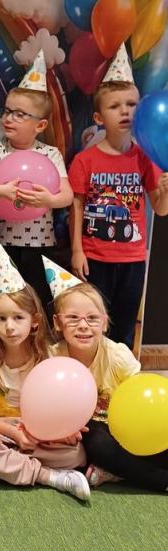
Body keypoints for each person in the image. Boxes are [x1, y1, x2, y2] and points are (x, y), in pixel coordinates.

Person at [0, 245, 89, 501]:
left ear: (35, 321)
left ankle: (3, 465)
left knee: (77, 454)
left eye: (18, 318)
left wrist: (64, 429)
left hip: (39, 430)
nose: (9, 327)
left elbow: (59, 403)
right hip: (1, 429)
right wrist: (13, 434)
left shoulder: (48, 355)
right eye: (1, 319)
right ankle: (46, 476)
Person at [68, 44, 168, 349]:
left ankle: (121, 375)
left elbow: (161, 210)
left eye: (132, 104)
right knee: (93, 323)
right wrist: (77, 250)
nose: (125, 111)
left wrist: (165, 191)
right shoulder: (85, 160)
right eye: (115, 106)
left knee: (124, 327)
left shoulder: (145, 158)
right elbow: (77, 206)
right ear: (99, 117)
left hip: (133, 258)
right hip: (94, 257)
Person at [46, 256, 168, 492]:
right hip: (88, 433)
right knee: (97, 444)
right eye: (73, 318)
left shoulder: (117, 354)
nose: (83, 325)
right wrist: (62, 427)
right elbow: (47, 404)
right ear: (58, 322)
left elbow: (142, 398)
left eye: (92, 318)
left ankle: (115, 473)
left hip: (127, 427)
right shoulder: (52, 358)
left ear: (104, 323)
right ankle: (160, 481)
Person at [0, 50, 73, 313]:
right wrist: (2, 191)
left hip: (40, 244)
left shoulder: (50, 154)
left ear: (40, 126)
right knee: (0, 303)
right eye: (7, 111)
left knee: (36, 304)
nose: (8, 118)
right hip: (1, 243)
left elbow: (67, 195)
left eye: (19, 114)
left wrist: (49, 199)